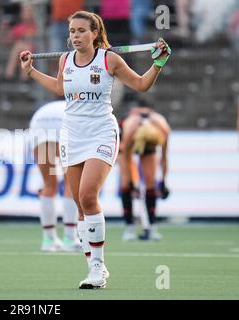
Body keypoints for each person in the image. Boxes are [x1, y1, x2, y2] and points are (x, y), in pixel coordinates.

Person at [20, 11, 171, 289]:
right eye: (72, 31)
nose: (75, 36)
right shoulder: (65, 60)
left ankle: (99, 266)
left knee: (88, 195)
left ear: (94, 33)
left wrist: (158, 64)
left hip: (101, 131)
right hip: (72, 134)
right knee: (79, 203)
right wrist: (31, 71)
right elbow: (58, 88)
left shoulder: (109, 59)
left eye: (81, 31)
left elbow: (140, 84)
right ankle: (92, 267)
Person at [29, 100, 81, 252]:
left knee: (49, 185)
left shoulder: (57, 104)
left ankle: (48, 239)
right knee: (71, 183)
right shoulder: (81, 104)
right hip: (64, 122)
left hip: (39, 123)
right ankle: (70, 238)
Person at [118, 103, 171, 241]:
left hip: (149, 137)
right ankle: (129, 227)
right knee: (125, 184)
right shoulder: (129, 130)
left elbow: (164, 158)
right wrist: (132, 182)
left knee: (150, 184)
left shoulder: (162, 129)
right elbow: (126, 157)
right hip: (126, 145)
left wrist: (163, 181)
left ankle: (152, 227)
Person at [4, 3, 36, 81]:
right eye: (24, 11)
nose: (26, 14)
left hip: (33, 54)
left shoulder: (35, 26)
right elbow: (7, 40)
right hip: (20, 56)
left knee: (23, 48)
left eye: (28, 11)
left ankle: (13, 75)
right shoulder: (19, 26)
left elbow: (34, 39)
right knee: (19, 47)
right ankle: (11, 75)